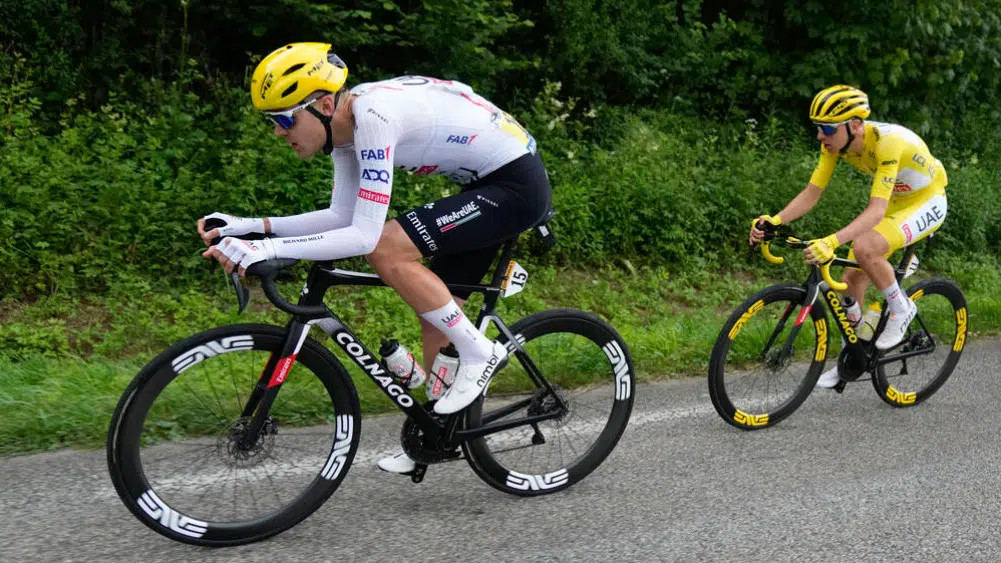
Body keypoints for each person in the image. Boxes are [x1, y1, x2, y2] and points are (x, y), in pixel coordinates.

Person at [197, 42, 551, 472]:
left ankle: (480, 352)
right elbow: (340, 216)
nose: (277, 131)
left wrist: (265, 251)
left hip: (515, 187)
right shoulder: (344, 130)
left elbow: (364, 236)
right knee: (434, 310)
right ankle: (438, 432)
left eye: (284, 118)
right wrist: (252, 226)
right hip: (482, 186)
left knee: (387, 247)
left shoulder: (375, 117)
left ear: (324, 104)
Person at [749, 84, 947, 388]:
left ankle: (901, 308)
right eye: (817, 128)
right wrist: (774, 220)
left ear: (854, 125)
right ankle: (853, 355)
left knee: (865, 247)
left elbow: (876, 210)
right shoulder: (833, 145)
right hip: (898, 202)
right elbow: (812, 193)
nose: (820, 136)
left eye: (826, 129)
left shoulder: (888, 143)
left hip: (926, 201)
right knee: (850, 280)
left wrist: (831, 240)